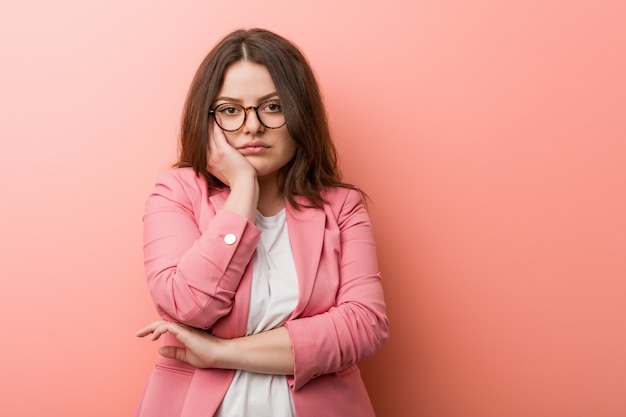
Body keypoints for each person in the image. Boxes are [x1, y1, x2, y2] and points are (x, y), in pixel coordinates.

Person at [134, 28, 389, 417]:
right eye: (231, 110)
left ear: (299, 111)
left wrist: (220, 353)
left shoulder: (342, 206)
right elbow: (187, 307)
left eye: (272, 106)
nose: (252, 126)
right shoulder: (177, 193)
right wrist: (241, 190)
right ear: (207, 119)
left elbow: (364, 325)